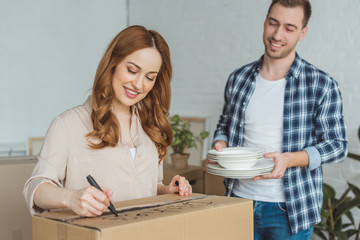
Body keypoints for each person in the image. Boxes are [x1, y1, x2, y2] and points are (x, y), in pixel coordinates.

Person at [211, 0, 347, 239]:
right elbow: (224, 124)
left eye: (289, 27)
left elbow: (338, 145)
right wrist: (220, 146)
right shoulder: (238, 79)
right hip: (238, 202)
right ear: (265, 22)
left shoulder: (321, 84)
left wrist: (289, 159)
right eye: (273, 23)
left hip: (289, 209)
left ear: (302, 32)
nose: (277, 34)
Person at [23, 25, 192, 217]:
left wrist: (167, 191)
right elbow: (35, 188)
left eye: (149, 77)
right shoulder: (68, 124)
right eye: (132, 70)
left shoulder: (150, 128)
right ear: (113, 63)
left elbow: (150, 187)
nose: (138, 84)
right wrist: (71, 198)